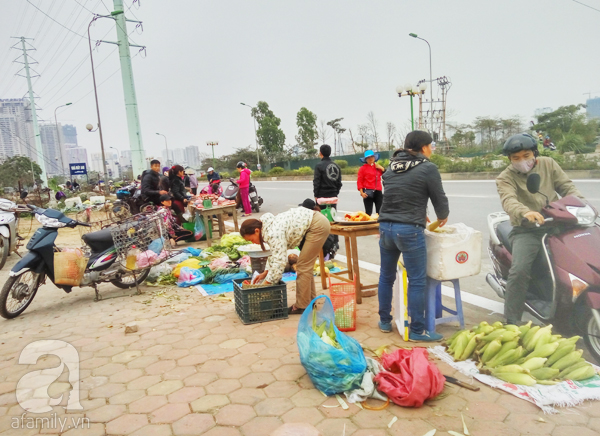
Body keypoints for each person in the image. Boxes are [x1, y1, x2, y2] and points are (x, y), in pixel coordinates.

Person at [496, 133, 584, 324]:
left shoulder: (548, 164)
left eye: (526, 155)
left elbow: (567, 187)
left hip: (557, 222)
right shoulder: (505, 177)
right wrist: (525, 212)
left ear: (534, 153)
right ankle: (511, 321)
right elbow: (508, 200)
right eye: (516, 158)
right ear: (510, 160)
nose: (522, 161)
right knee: (519, 270)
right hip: (528, 228)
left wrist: (581, 205)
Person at [377, 130, 450, 341]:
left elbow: (400, 194)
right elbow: (439, 197)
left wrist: (419, 211)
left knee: (386, 276)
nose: (432, 149)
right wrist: (442, 216)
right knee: (417, 281)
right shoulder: (428, 168)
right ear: (424, 147)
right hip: (409, 230)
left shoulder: (391, 167)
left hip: (386, 228)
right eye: (431, 145)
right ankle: (418, 330)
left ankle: (384, 321)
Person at [239, 206, 330, 315]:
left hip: (317, 226)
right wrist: (266, 273)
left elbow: (279, 262)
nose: (253, 242)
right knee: (305, 266)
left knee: (303, 266)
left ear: (257, 231)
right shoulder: (268, 228)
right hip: (316, 222)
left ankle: (302, 306)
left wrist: (266, 284)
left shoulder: (273, 233)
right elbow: (275, 254)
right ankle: (310, 303)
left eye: (251, 239)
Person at [357, 150, 385, 216]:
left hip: (378, 191)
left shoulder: (378, 167)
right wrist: (361, 192)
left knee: (380, 212)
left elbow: (386, 175)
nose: (370, 159)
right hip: (368, 191)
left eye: (372, 157)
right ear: (366, 159)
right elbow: (360, 180)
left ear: (374, 158)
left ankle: (379, 226)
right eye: (368, 158)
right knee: (368, 212)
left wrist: (382, 168)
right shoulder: (362, 168)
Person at [313, 144, 342, 209]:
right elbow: (339, 183)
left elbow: (316, 182)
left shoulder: (319, 166)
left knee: (322, 217)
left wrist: (316, 195)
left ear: (320, 153)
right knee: (332, 216)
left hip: (322, 196)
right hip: (333, 196)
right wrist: (335, 192)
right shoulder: (336, 166)